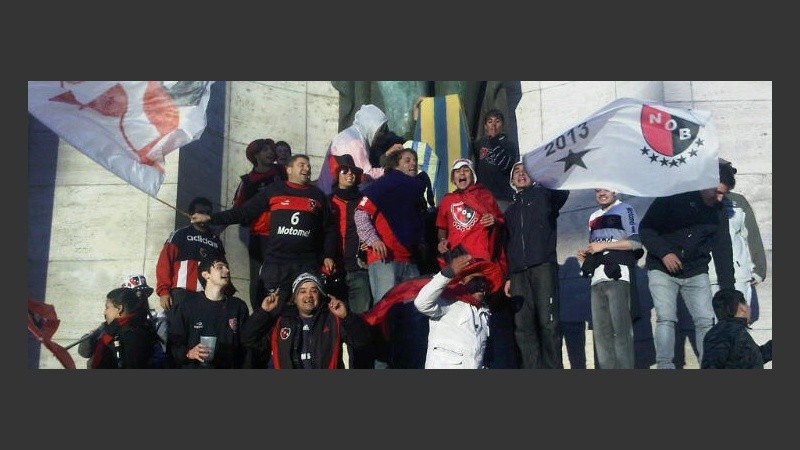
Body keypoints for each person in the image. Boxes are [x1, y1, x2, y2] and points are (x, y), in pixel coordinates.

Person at [192, 154, 337, 314]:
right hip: (276, 265)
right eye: (302, 164)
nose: (307, 168)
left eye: (309, 166)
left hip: (306, 264)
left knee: (306, 311)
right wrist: (211, 218)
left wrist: (328, 255)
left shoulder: (317, 196)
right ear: (289, 169)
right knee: (274, 311)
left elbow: (329, 229)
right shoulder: (274, 190)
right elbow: (244, 212)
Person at [639, 160, 736, 369]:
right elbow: (646, 229)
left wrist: (729, 291)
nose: (719, 198)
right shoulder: (675, 196)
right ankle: (665, 365)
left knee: (706, 319)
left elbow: (723, 251)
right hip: (661, 269)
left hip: (696, 270)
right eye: (717, 192)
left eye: (723, 194)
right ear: (706, 182)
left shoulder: (718, 212)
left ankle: (708, 364)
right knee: (666, 318)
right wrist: (664, 253)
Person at [435, 158, 515, 368]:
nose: (462, 174)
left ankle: (488, 362)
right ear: (453, 178)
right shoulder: (446, 200)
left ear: (472, 175)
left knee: (485, 314)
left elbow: (499, 221)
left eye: (466, 170)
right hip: (459, 264)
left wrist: (493, 221)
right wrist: (442, 241)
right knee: (462, 313)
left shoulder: (485, 195)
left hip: (482, 264)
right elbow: (441, 227)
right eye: (457, 172)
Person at [504, 162, 569, 369]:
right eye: (517, 172)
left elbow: (562, 190)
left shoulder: (545, 197)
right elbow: (506, 245)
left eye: (526, 171)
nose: (521, 175)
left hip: (543, 267)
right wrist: (507, 277)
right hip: (517, 274)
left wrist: (546, 172)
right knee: (523, 328)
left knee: (549, 325)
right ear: (512, 180)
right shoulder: (510, 212)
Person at [241, 272, 373, 369]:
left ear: (320, 295)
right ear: (294, 298)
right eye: (302, 291)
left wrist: (347, 316)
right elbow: (248, 339)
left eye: (313, 291)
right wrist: (263, 312)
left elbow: (363, 341)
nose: (308, 295)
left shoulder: (333, 320)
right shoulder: (281, 323)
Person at [156, 196, 226, 367]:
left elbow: (223, 268)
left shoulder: (216, 240)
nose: (204, 216)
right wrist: (164, 291)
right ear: (191, 214)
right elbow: (164, 262)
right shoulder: (180, 234)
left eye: (208, 213)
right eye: (200, 212)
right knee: (178, 337)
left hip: (206, 297)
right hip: (181, 294)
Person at [577, 188, 643, 369]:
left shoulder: (626, 209)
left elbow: (636, 243)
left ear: (615, 191)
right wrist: (586, 257)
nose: (601, 193)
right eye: (597, 190)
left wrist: (604, 245)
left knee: (621, 332)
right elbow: (596, 247)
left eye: (606, 189)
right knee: (601, 335)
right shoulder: (593, 216)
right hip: (596, 279)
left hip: (618, 276)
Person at [414, 254, 504, 369]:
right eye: (475, 280)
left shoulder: (485, 312)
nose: (482, 284)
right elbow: (421, 303)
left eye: (483, 280)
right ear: (462, 282)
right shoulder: (447, 302)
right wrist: (448, 272)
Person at [232, 138, 287, 310]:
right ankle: (258, 312)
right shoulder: (247, 181)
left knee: (284, 275)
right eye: (265, 150)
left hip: (284, 233)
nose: (271, 152)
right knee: (257, 278)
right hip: (259, 236)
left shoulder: (283, 172)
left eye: (271, 149)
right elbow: (237, 210)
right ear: (255, 155)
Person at [167, 257, 250, 369]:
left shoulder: (238, 307)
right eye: (220, 267)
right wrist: (188, 353)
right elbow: (174, 344)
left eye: (227, 267)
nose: (227, 270)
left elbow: (246, 346)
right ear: (206, 275)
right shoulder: (187, 306)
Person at [316, 104, 392, 195]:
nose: (383, 135)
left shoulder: (353, 134)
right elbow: (365, 175)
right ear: (371, 126)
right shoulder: (354, 142)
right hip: (334, 196)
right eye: (381, 130)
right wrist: (389, 171)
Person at [77, 287, 158, 369]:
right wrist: (92, 336)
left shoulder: (135, 335)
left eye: (107, 307)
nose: (105, 312)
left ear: (119, 309)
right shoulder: (107, 330)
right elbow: (84, 352)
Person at [700, 288, 772, 369]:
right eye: (746, 304)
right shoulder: (724, 333)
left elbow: (752, 359)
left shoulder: (733, 331)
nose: (749, 308)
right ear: (742, 308)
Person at [471, 109, 519, 213]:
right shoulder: (479, 144)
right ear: (485, 126)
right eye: (490, 121)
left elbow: (505, 166)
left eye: (497, 121)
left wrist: (494, 141)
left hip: (501, 197)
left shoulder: (509, 144)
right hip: (482, 197)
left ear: (502, 125)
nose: (493, 125)